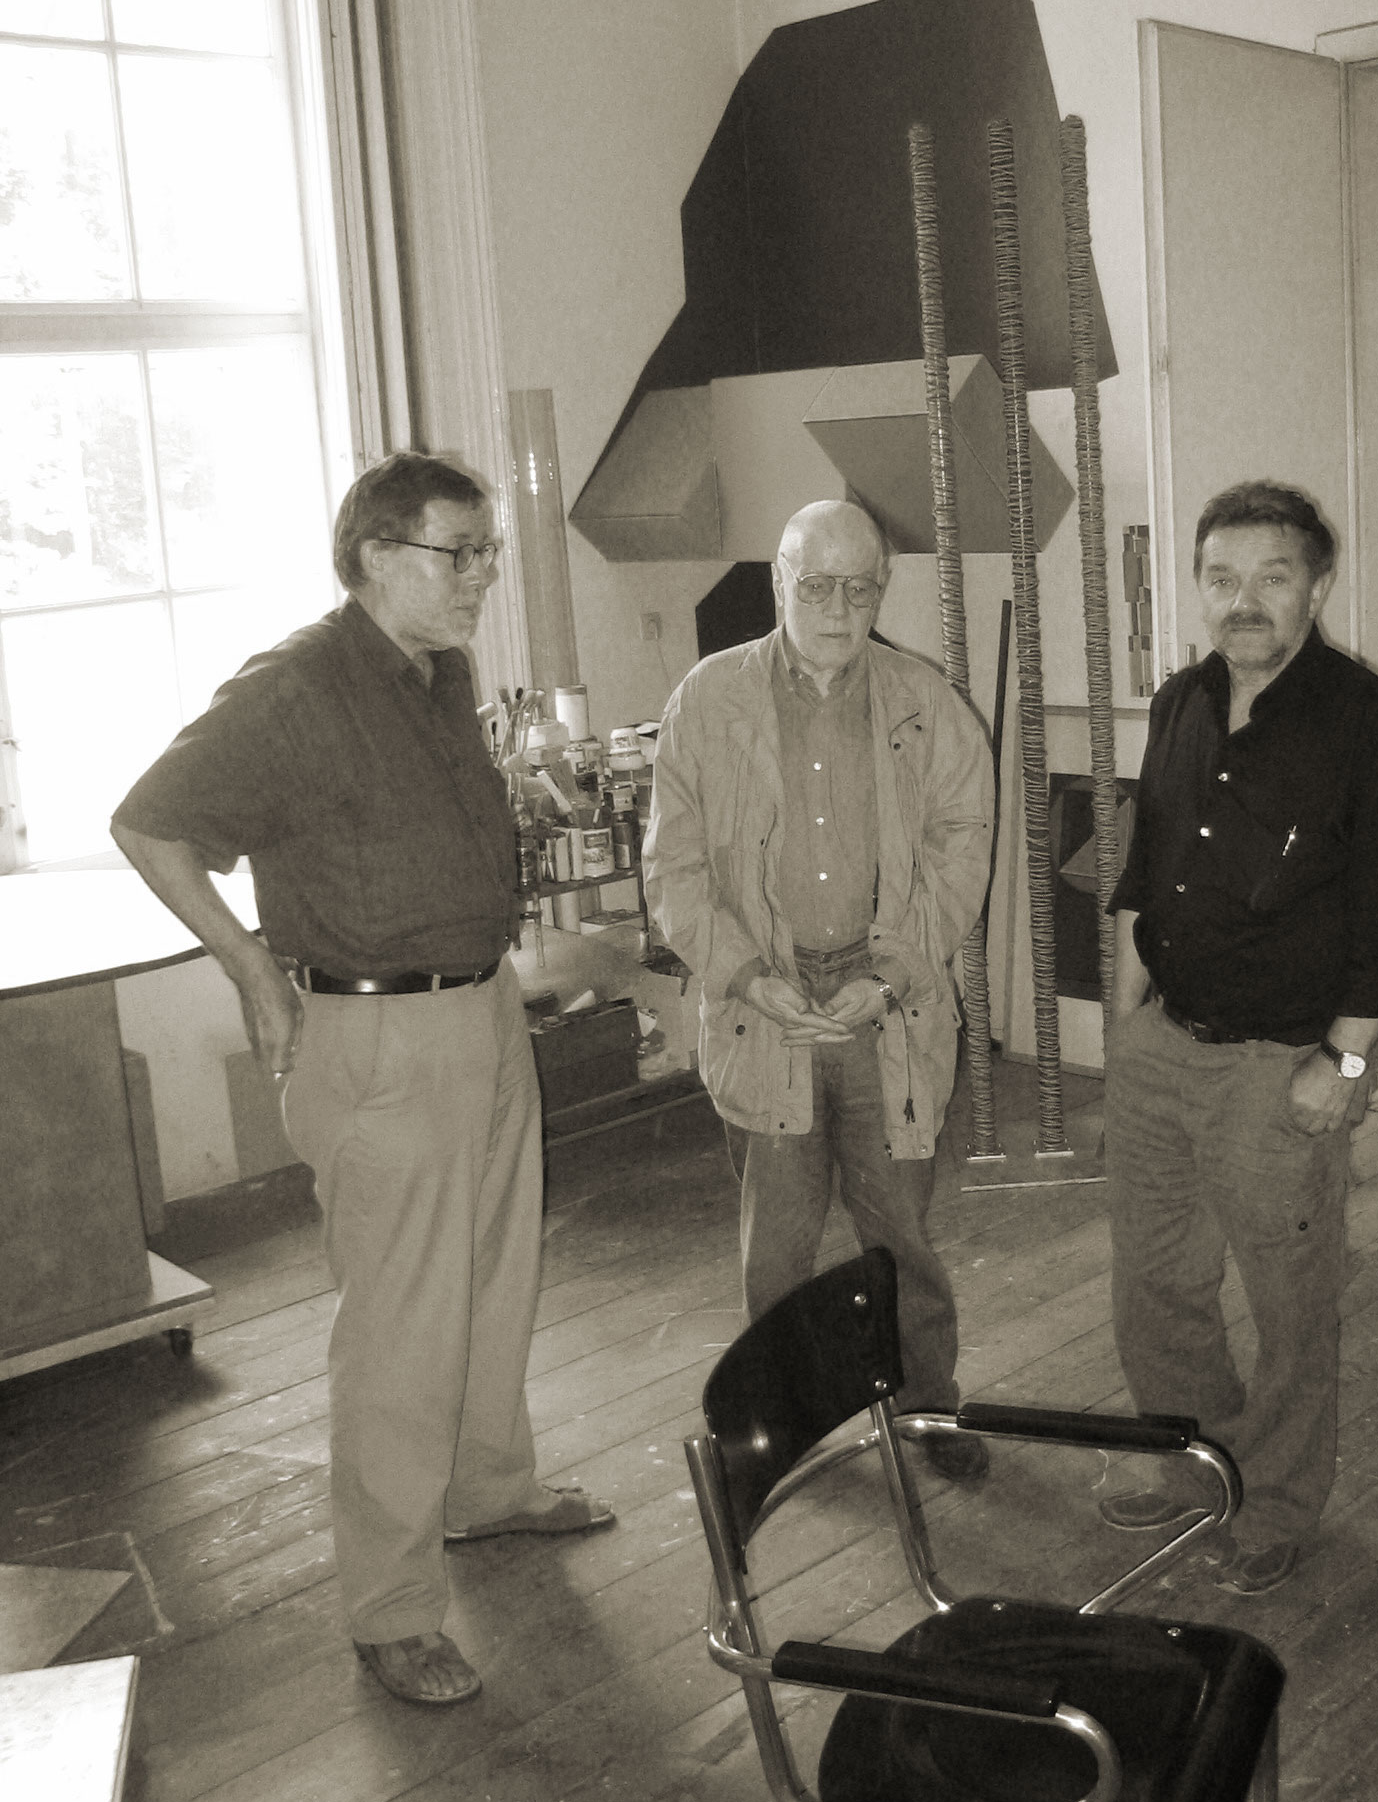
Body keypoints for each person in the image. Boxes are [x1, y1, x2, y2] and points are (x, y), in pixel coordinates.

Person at [111, 451, 613, 1709]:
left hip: (480, 1009)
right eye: (459, 553)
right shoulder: (294, 686)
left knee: (495, 1276)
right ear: (378, 555)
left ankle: (487, 1489)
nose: (482, 576)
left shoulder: (436, 672)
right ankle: (391, 1609)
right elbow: (148, 822)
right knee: (400, 1330)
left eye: (488, 552)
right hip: (377, 1035)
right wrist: (249, 969)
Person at [1101, 480, 1378, 1593]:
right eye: (1222, 577)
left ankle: (1280, 1498)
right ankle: (1190, 1461)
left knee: (1290, 1300)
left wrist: (1344, 1062)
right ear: (1199, 587)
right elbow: (1145, 879)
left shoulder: (1367, 724)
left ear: (1317, 584)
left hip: (1282, 1066)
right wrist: (1125, 1029)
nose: (1243, 599)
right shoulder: (1182, 703)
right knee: (1156, 1282)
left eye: (1272, 575)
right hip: (1162, 1046)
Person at [644, 498, 994, 1480]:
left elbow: (962, 850)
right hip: (767, 1009)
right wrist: (746, 975)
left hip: (889, 1009)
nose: (839, 609)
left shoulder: (928, 703)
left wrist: (894, 973)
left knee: (901, 1236)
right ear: (779, 583)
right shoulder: (707, 701)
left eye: (860, 588)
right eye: (817, 585)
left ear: (882, 589)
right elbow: (674, 868)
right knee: (777, 1247)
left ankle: (928, 1408)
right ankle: (780, 1425)